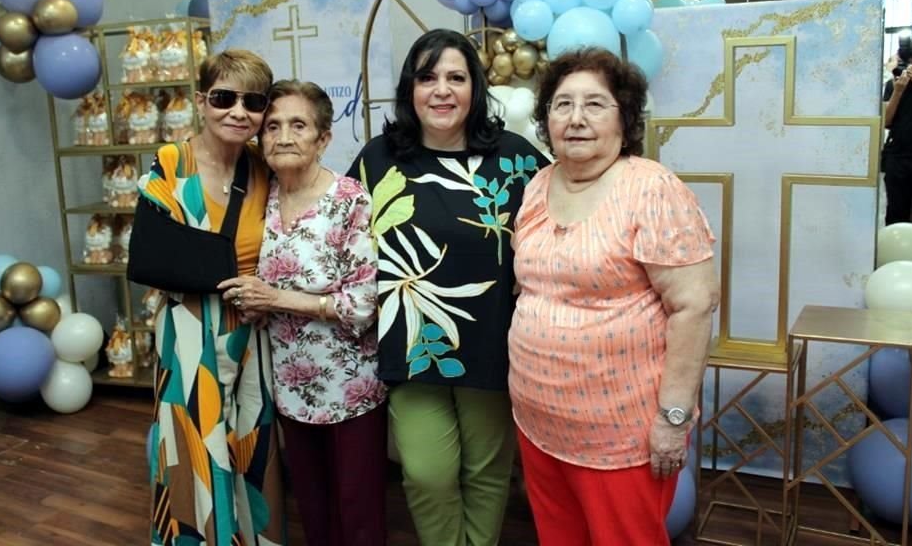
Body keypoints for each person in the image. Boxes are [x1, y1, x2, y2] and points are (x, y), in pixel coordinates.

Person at [508, 48, 720, 545]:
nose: (576, 119)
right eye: (562, 105)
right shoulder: (539, 186)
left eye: (594, 104)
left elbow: (693, 306)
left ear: (624, 116)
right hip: (540, 419)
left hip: (619, 432)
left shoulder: (652, 189)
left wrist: (673, 419)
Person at [346, 28, 549, 546]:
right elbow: (341, 233)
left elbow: (561, 224)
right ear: (410, 89)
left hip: (494, 346)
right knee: (426, 473)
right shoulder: (378, 159)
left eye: (456, 77)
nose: (442, 90)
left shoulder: (517, 159)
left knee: (486, 473)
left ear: (476, 88)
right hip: (413, 346)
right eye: (427, 76)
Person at [217, 80, 385, 546]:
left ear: (323, 138)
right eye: (272, 126)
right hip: (288, 384)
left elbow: (362, 304)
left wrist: (275, 299)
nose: (283, 136)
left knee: (358, 509)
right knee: (311, 503)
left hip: (350, 385)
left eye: (298, 125)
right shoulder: (260, 199)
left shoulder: (349, 200)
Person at [137, 49, 285, 545]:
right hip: (187, 329)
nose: (238, 111)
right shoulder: (170, 164)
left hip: (253, 331)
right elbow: (147, 260)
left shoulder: (264, 170)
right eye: (224, 98)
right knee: (192, 448)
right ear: (201, 101)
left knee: (248, 446)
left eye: (253, 101)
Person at [882, 37, 912, 225]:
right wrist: (898, 91)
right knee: (896, 212)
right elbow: (886, 121)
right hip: (898, 157)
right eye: (910, 63)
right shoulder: (894, 84)